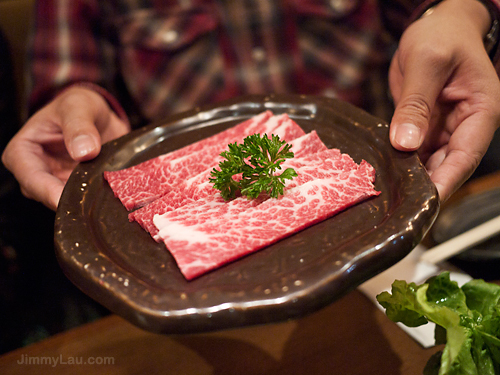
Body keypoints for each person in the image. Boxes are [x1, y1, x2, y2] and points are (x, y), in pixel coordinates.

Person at [2, 0, 500, 212]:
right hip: (190, 215)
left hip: (373, 189)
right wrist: (75, 102)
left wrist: (462, 11)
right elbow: (71, 70)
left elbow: (435, 5)